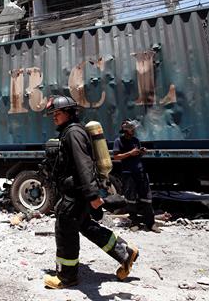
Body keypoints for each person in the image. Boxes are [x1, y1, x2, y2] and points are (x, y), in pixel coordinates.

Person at [42, 95, 139, 289]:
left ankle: (67, 277)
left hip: (75, 194)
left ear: (69, 113)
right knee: (85, 225)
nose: (54, 117)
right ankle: (125, 252)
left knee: (65, 230)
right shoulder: (70, 131)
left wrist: (93, 195)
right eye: (53, 114)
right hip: (76, 192)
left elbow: (83, 165)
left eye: (57, 113)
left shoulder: (73, 133)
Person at [113, 119, 160, 233]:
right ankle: (134, 223)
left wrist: (140, 152)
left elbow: (136, 155)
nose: (133, 131)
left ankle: (151, 223)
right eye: (131, 129)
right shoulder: (119, 141)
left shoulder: (136, 140)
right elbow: (116, 157)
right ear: (125, 130)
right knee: (131, 199)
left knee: (146, 198)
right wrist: (130, 153)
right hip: (128, 173)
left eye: (133, 128)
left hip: (140, 172)